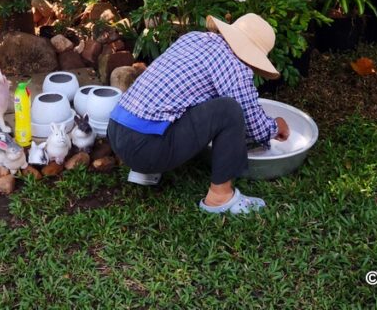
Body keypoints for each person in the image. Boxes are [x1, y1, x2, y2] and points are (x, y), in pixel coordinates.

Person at [108, 13, 290, 215]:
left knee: (192, 99)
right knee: (229, 110)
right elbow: (252, 123)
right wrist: (275, 127)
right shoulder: (233, 66)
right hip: (146, 148)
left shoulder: (194, 38)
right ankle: (220, 197)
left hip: (116, 129)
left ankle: (144, 171)